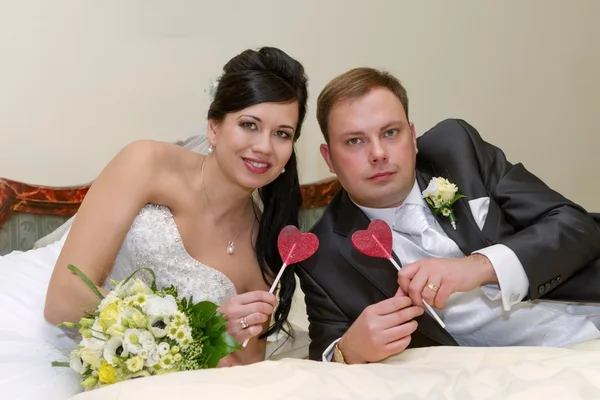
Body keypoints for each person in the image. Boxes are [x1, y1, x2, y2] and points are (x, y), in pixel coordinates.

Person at [0, 46, 308, 398]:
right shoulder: (147, 164)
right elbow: (63, 299)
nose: (264, 147)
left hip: (141, 369)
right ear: (214, 127)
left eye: (282, 133)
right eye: (249, 125)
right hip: (38, 323)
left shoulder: (264, 249)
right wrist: (195, 327)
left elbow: (239, 370)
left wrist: (218, 340)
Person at [295, 67, 600, 364]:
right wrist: (349, 351)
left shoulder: (456, 150)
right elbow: (327, 349)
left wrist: (480, 266)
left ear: (412, 137)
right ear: (329, 158)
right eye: (355, 141)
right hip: (524, 370)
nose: (378, 153)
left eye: (390, 133)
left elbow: (575, 225)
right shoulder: (322, 255)